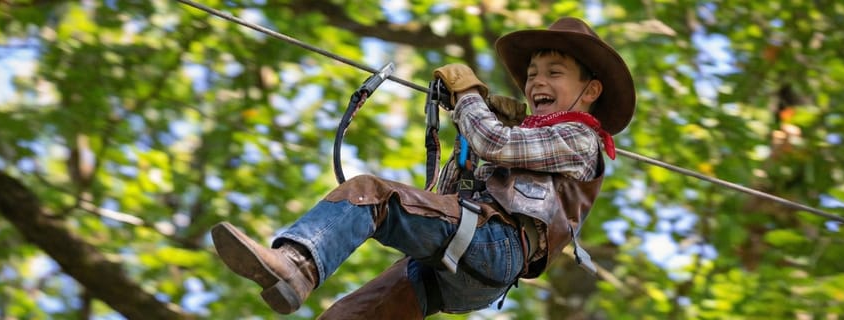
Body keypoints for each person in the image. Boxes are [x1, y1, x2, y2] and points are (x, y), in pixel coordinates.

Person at [210, 16, 635, 318]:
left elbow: (496, 142)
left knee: (372, 194)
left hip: (496, 244)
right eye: (532, 74)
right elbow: (443, 194)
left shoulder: (580, 137)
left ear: (591, 89)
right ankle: (295, 279)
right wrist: (472, 132)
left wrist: (468, 98)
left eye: (554, 73)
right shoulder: (525, 137)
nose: (536, 83)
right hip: (463, 263)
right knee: (353, 314)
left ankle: (297, 264)